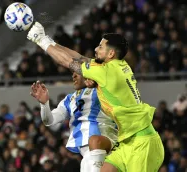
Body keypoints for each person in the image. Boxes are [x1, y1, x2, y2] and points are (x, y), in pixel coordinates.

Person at [27, 22, 164, 172]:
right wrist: (50, 41)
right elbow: (79, 58)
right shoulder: (116, 66)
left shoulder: (106, 72)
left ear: (111, 54)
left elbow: (68, 61)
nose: (95, 49)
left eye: (100, 47)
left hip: (142, 143)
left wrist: (41, 40)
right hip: (126, 141)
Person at [30, 72, 118, 172]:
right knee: (86, 163)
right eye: (73, 73)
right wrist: (44, 104)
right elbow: (49, 121)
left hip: (103, 139)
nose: (74, 76)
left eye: (78, 73)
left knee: (89, 159)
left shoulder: (100, 91)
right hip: (89, 151)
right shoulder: (69, 99)